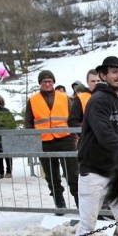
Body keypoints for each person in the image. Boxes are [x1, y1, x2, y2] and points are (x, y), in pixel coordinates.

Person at [73, 56, 118, 236]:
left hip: (115, 172)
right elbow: (105, 134)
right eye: (114, 72)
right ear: (103, 75)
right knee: (88, 227)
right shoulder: (98, 100)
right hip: (93, 172)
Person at [24, 69, 79, 212]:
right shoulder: (33, 100)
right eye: (44, 82)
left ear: (54, 82)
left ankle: (80, 203)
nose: (47, 84)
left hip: (65, 139)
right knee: (51, 176)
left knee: (72, 174)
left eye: (49, 81)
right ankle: (59, 203)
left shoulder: (64, 97)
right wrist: (32, 140)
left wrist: (74, 134)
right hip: (45, 142)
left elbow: (72, 118)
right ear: (40, 83)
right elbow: (29, 122)